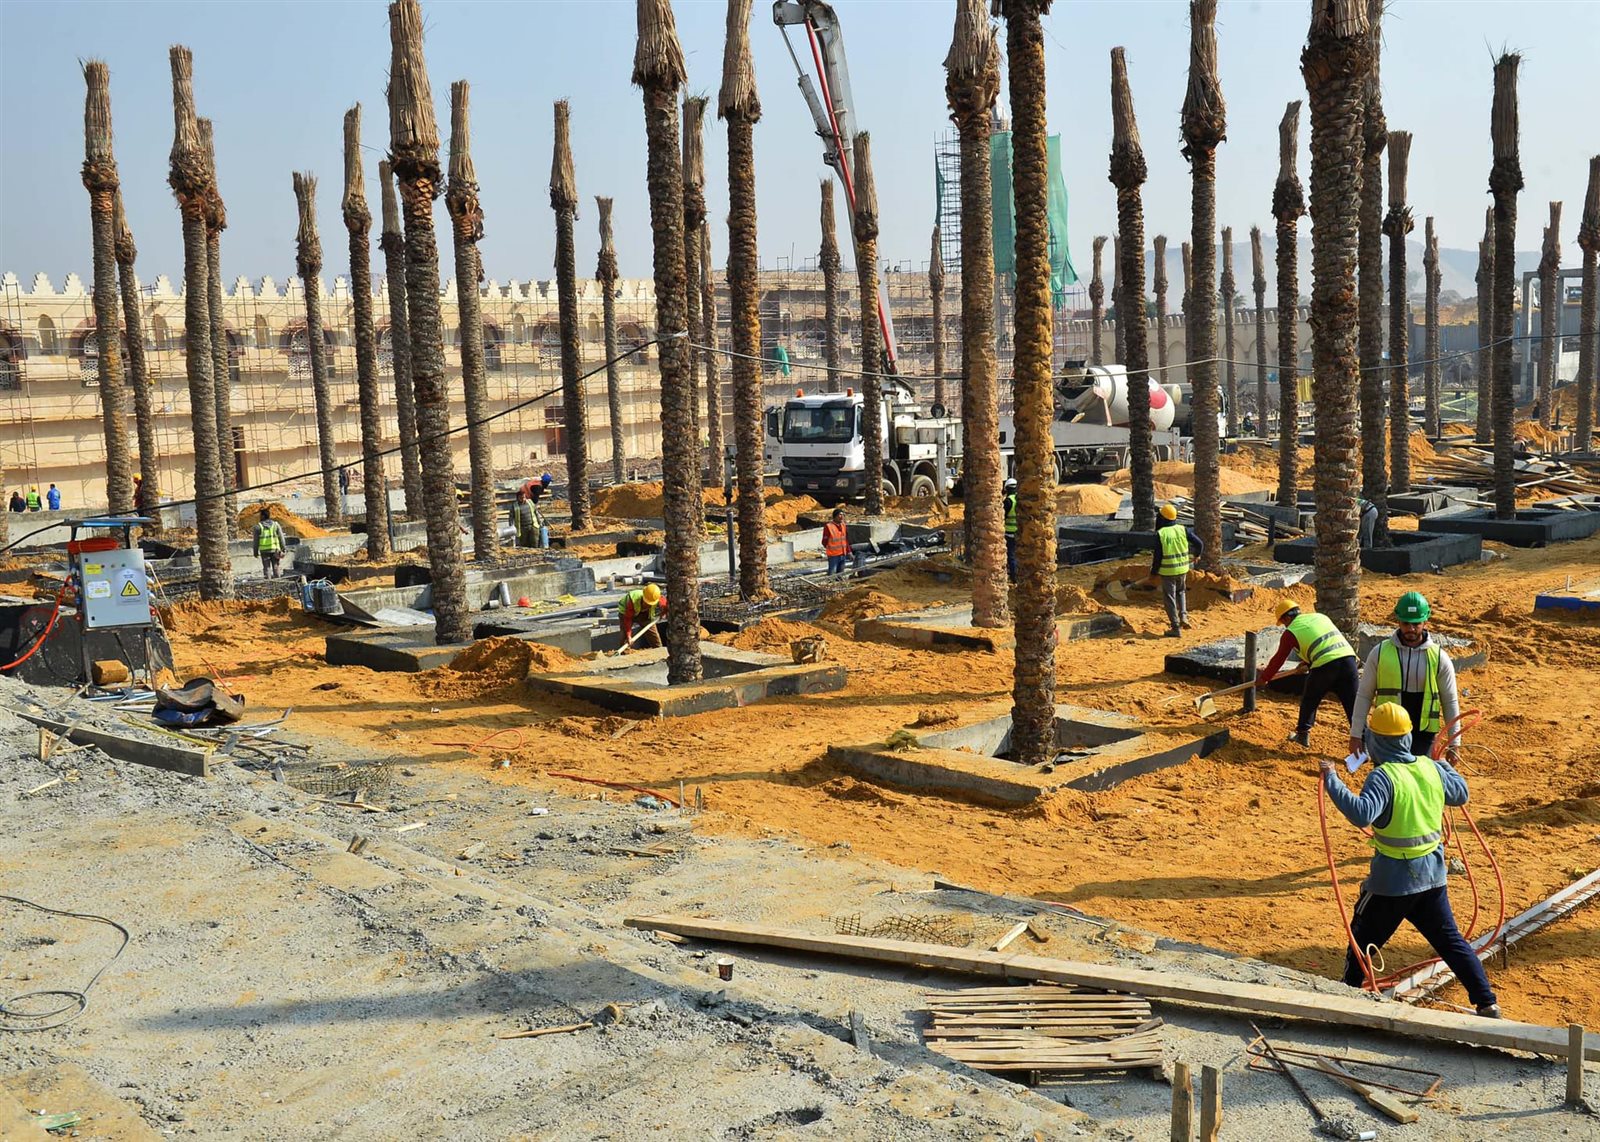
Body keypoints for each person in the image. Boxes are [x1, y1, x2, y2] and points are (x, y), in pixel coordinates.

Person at [1321, 702, 1501, 1018]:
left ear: (1376, 741)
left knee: (1361, 941)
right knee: (1452, 943)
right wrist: (1442, 765)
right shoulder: (1429, 767)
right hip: (1432, 879)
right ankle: (1487, 1002)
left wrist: (1332, 779)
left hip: (1392, 884)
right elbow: (1460, 793)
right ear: (1406, 738)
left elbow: (1362, 813)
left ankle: (1347, 997)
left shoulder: (1383, 776)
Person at [1350, 591, 1460, 764]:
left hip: (1423, 736)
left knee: (1420, 778)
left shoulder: (1439, 658)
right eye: (1406, 623)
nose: (1411, 629)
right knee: (1387, 778)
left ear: (1425, 621)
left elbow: (1450, 701)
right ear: (1398, 621)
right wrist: (1356, 735)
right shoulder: (1379, 653)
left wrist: (1454, 743)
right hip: (1386, 734)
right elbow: (1364, 695)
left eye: (1416, 624)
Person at [1258, 598, 1359, 747]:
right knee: (1354, 705)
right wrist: (1307, 663)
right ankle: (1364, 742)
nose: (1285, 626)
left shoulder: (1290, 632)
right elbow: (1325, 642)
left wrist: (1264, 678)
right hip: (1349, 660)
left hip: (1325, 666)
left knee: (1310, 699)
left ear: (1287, 618)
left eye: (1283, 622)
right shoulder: (1320, 617)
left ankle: (1302, 735)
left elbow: (1278, 659)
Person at [1151, 503, 1203, 638]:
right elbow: (1199, 543)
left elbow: (1158, 557)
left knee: (1170, 598)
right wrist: (1197, 555)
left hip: (1168, 572)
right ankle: (1183, 617)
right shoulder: (1182, 529)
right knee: (1181, 592)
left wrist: (1153, 573)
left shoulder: (1161, 534)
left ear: (1162, 518)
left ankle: (1175, 627)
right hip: (1183, 569)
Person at [618, 583, 666, 650]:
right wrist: (628, 635)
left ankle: (658, 649)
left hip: (644, 614)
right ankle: (624, 651)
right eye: (646, 603)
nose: (648, 605)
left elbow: (666, 606)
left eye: (650, 604)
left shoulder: (658, 598)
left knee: (653, 633)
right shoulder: (633, 600)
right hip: (626, 613)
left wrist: (663, 613)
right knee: (624, 634)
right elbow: (628, 619)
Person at [253, 507, 287, 579]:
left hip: (264, 551)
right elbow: (281, 538)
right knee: (276, 567)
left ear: (263, 516)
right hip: (275, 550)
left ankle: (269, 582)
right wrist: (283, 548)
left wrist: (255, 552)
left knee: (267, 568)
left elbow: (256, 541)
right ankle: (278, 582)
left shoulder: (258, 527)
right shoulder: (276, 525)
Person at [822, 507, 852, 576]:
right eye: (840, 515)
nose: (842, 517)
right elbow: (824, 541)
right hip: (833, 555)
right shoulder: (829, 526)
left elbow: (846, 540)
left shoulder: (843, 525)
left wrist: (849, 551)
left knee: (840, 574)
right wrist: (830, 549)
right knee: (832, 573)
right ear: (835, 516)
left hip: (843, 554)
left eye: (843, 515)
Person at [1002, 477, 1018, 582]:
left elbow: (1002, 516)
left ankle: (1014, 577)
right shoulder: (1019, 500)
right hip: (1020, 532)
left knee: (1011, 556)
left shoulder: (1008, 501)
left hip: (1009, 533)